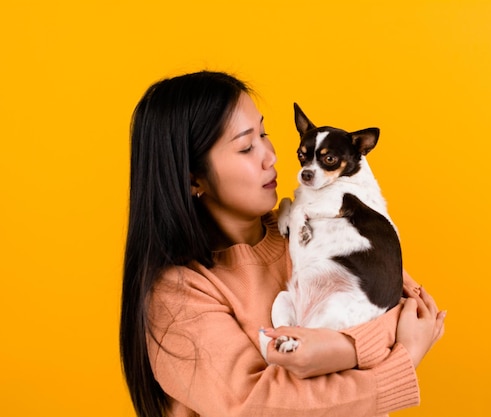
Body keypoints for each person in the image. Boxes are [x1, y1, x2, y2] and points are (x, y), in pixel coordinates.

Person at [120, 70, 446, 417]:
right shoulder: (180, 295)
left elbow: (411, 310)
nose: (271, 156)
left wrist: (342, 348)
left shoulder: (310, 224)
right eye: (246, 146)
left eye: (264, 133)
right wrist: (398, 358)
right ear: (191, 179)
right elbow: (263, 408)